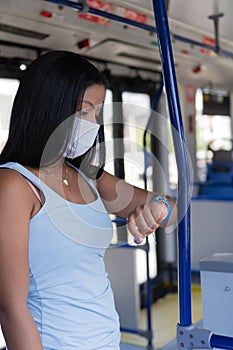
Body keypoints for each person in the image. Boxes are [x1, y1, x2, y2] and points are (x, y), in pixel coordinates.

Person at [0, 50, 177, 350]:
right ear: (49, 108)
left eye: (97, 114)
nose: (92, 124)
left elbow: (173, 210)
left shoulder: (88, 177)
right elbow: (10, 308)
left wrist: (159, 208)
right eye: (84, 111)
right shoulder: (15, 185)